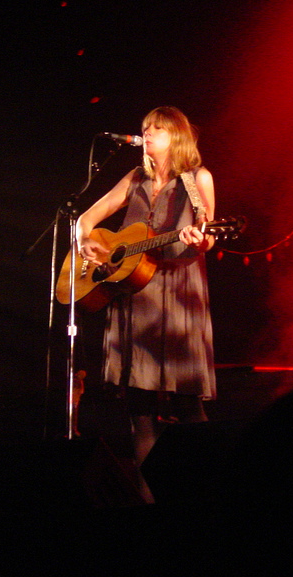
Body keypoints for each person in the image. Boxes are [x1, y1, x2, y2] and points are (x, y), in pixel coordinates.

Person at [76, 107, 216, 480]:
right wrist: (85, 242)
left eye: (157, 128)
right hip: (135, 294)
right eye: (145, 128)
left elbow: (208, 235)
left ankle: (206, 485)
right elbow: (85, 219)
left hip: (177, 293)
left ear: (177, 135)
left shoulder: (197, 178)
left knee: (187, 404)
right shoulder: (136, 177)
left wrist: (200, 240)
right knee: (139, 409)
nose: (148, 133)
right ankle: (146, 493)